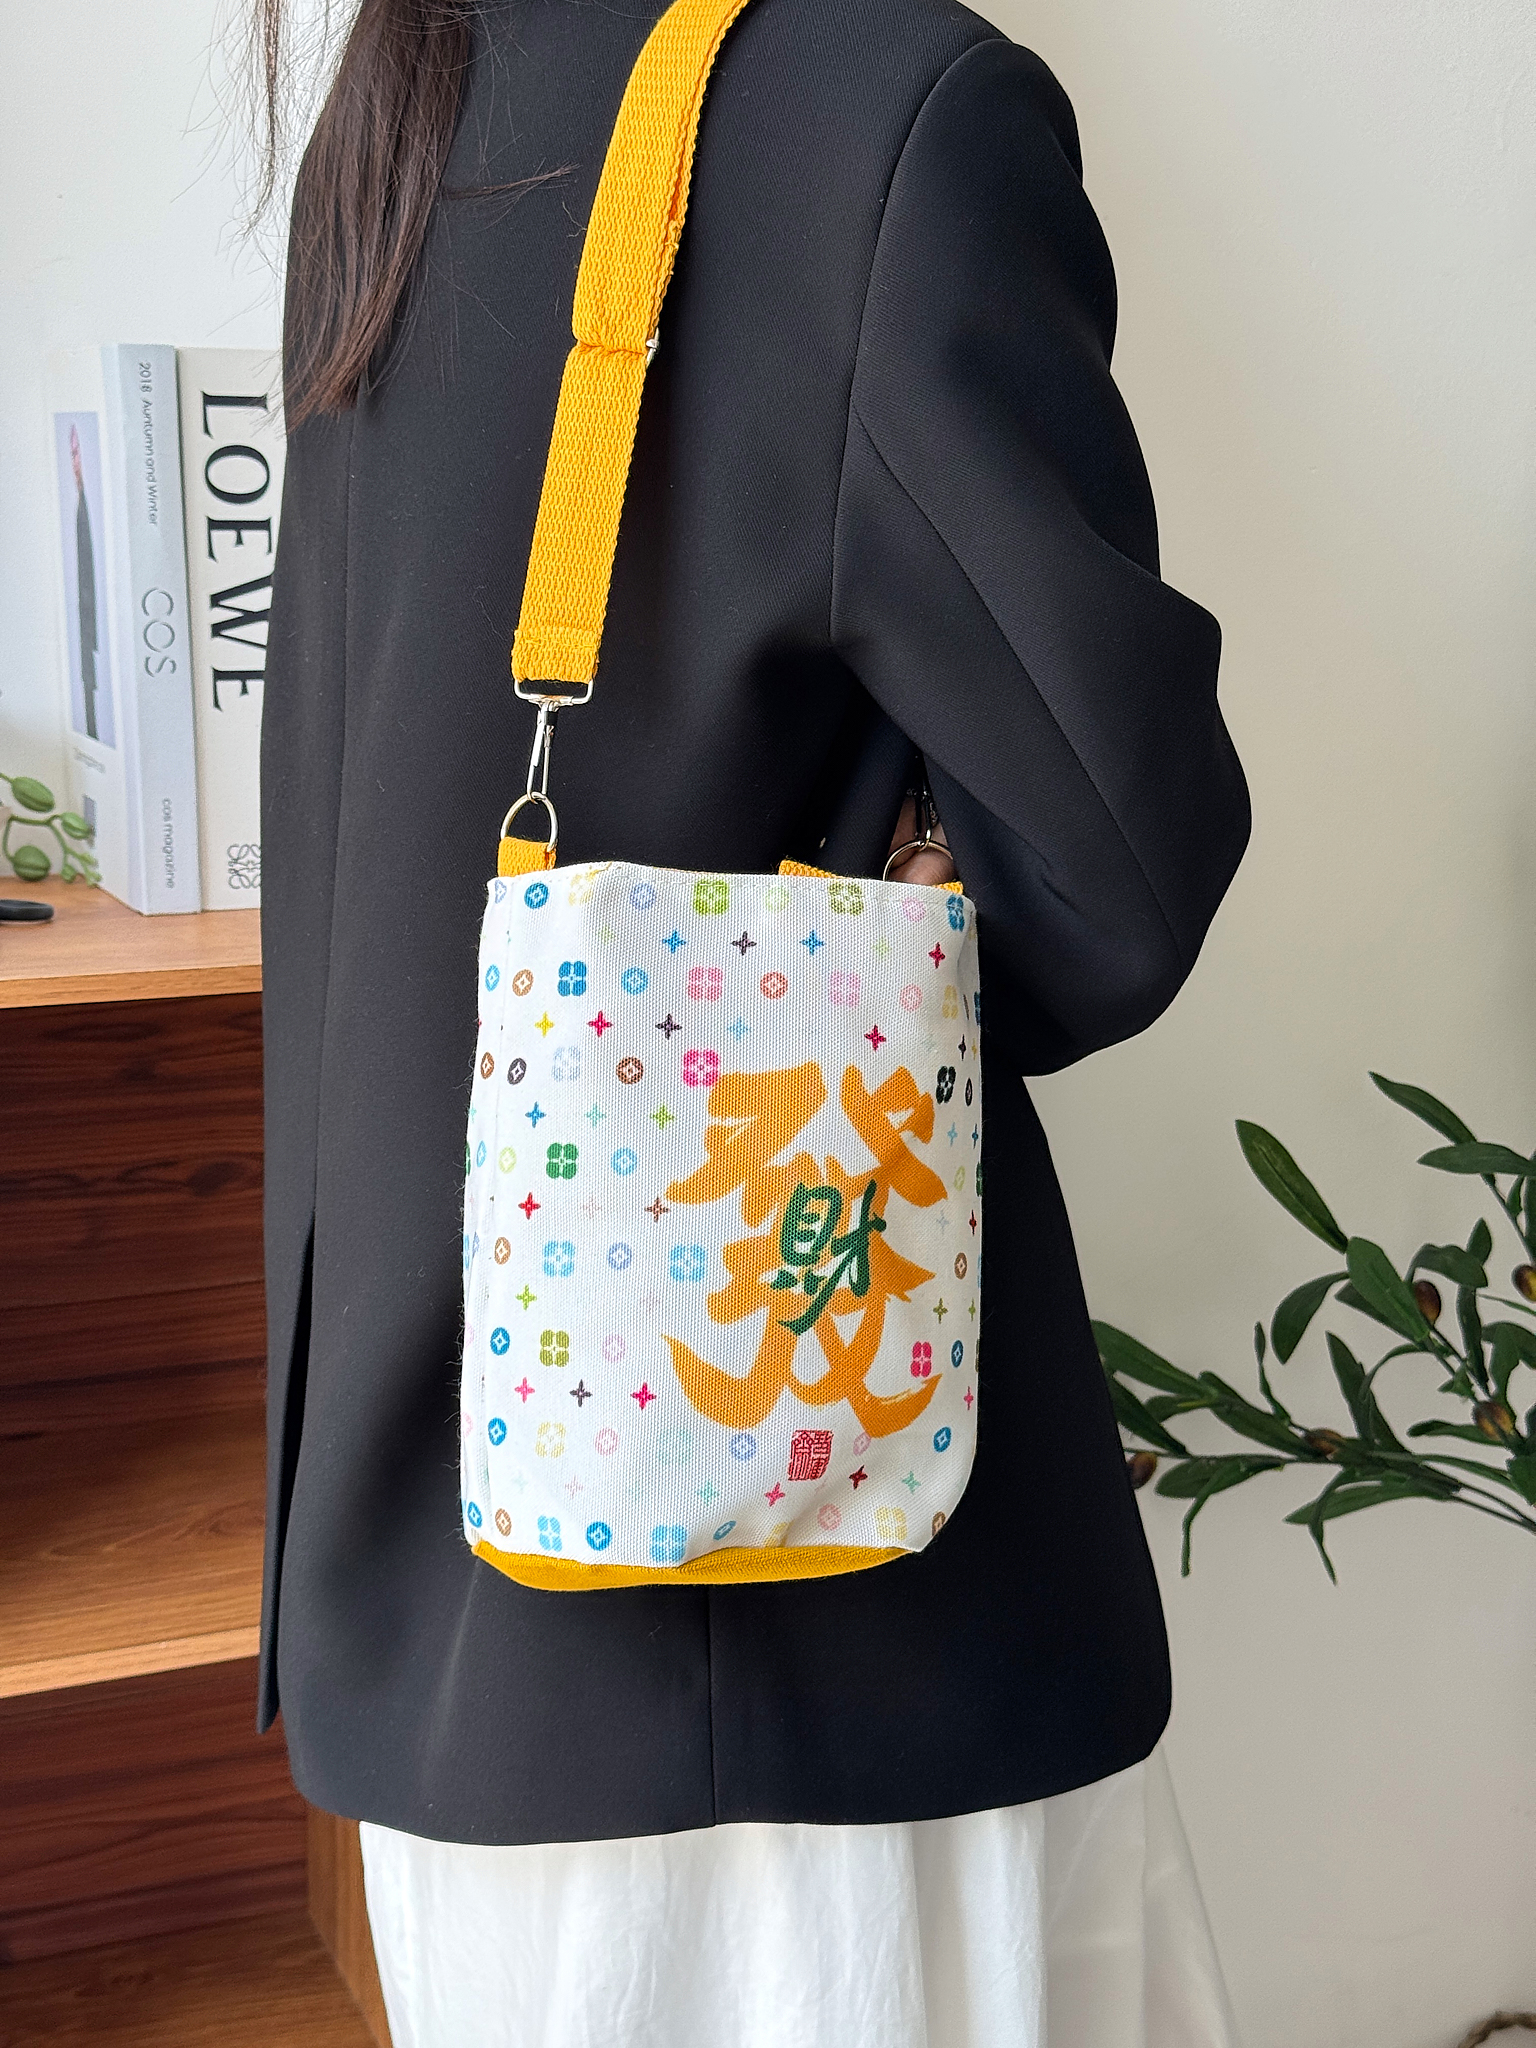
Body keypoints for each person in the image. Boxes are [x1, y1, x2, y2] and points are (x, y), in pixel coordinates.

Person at [256, 0, 1251, 2040]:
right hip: (801, 1643)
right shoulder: (878, 111)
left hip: (448, 1624)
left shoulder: (408, 100)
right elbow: (1120, 868)